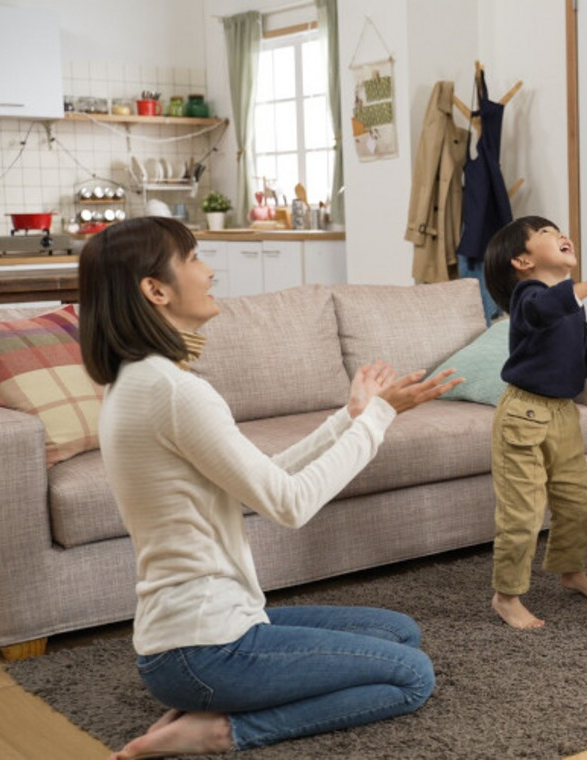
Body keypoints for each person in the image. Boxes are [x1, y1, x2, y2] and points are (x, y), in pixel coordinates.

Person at [77, 217, 464, 759]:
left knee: (398, 632)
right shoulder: (174, 391)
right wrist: (376, 421)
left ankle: (205, 704)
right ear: (155, 288)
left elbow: (257, 483)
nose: (208, 270)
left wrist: (349, 419)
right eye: (192, 259)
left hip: (196, 637)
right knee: (411, 677)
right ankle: (216, 731)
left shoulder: (139, 382)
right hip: (205, 649)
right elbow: (290, 503)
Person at [482, 216, 587, 629]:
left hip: (562, 414)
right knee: (523, 514)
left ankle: (570, 571)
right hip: (523, 416)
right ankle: (506, 596)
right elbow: (547, 309)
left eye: (559, 230)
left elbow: (576, 355)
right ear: (522, 261)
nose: (561, 235)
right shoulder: (529, 299)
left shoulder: (569, 306)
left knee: (577, 500)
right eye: (545, 234)